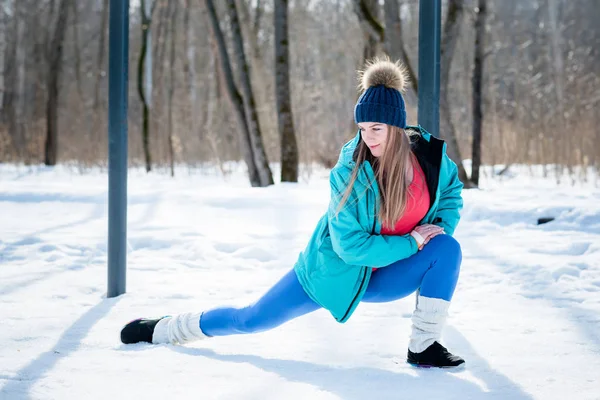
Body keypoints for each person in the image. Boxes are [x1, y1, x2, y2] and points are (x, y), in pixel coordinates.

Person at [120, 57, 465, 368]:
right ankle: (165, 328)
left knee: (447, 248)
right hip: (336, 272)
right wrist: (412, 241)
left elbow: (450, 191)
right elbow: (350, 247)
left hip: (392, 272)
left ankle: (424, 347)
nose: (368, 138)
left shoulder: (428, 159)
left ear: (397, 127)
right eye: (362, 129)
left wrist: (435, 228)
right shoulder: (350, 174)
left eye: (377, 129)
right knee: (251, 319)